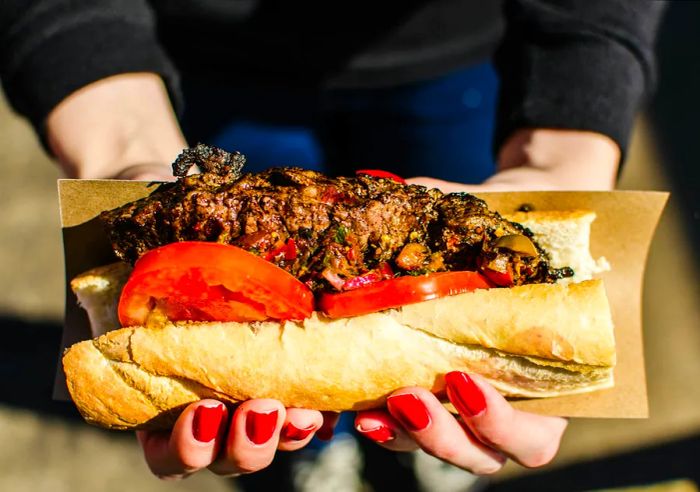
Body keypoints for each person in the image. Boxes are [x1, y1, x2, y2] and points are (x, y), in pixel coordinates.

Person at [0, 0, 665, 487]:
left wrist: (562, 152)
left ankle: (426, 449)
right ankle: (315, 449)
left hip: (457, 54)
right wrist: (119, 148)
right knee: (238, 219)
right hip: (202, 58)